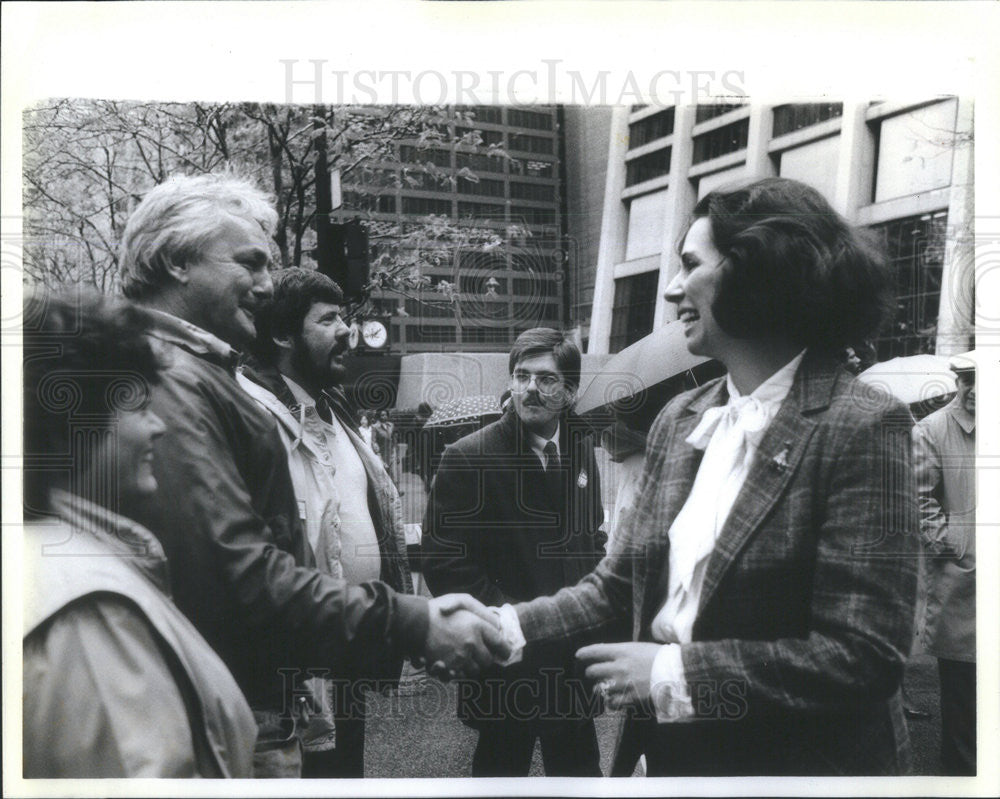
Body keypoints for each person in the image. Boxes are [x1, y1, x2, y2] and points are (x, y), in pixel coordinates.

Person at [493, 178, 919, 775]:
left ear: (759, 272)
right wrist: (501, 628)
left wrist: (672, 672)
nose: (671, 290)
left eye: (691, 265)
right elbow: (616, 586)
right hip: (667, 757)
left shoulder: (864, 426)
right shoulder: (682, 418)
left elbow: (863, 658)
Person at [117, 173, 509, 776]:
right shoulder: (175, 379)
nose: (266, 285)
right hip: (229, 713)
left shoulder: (195, 375)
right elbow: (233, 573)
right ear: (175, 261)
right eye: (250, 263)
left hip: (272, 688)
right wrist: (410, 621)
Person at [22, 289, 256, 777]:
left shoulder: (53, 558)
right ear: (74, 419)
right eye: (138, 406)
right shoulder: (86, 610)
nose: (158, 428)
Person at [237, 267, 412, 777]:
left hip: (348, 647)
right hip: (297, 665)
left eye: (347, 318)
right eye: (330, 319)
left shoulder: (336, 408)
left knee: (344, 772)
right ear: (282, 335)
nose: (347, 331)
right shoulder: (256, 415)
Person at [423, 328, 607, 777]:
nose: (530, 389)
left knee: (581, 773)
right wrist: (511, 624)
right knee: (501, 773)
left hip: (572, 658)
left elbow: (592, 538)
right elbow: (445, 561)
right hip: (508, 659)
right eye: (521, 376)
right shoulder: (469, 456)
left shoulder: (581, 448)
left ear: (570, 390)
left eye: (545, 379)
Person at [913, 353, 976, 775]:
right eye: (965, 381)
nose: (970, 391)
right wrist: (955, 546)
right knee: (964, 709)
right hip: (964, 587)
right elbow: (918, 501)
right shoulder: (933, 429)